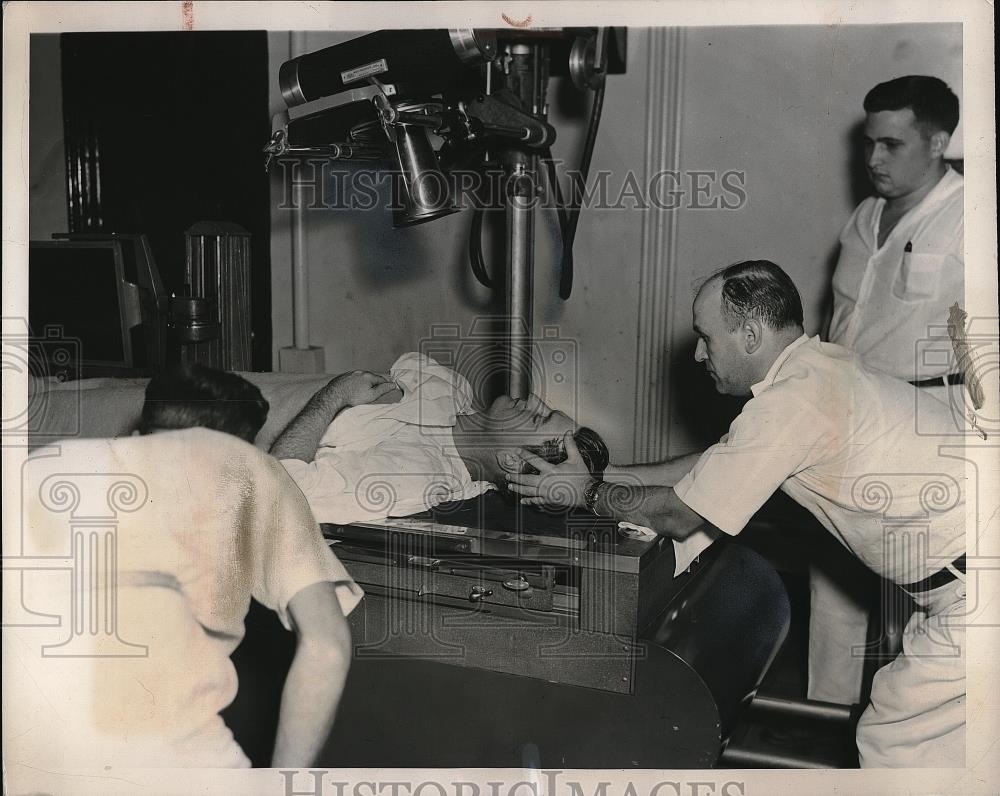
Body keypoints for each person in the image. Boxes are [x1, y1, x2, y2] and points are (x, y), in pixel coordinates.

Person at [508, 261, 966, 767]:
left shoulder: (791, 403)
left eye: (706, 337)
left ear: (750, 334)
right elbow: (711, 464)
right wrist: (606, 472)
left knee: (891, 742)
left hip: (975, 588)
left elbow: (683, 514)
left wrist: (587, 495)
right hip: (957, 577)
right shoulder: (816, 369)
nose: (699, 353)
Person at [7, 363, 373, 771]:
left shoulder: (43, 466)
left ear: (136, 435)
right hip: (175, 762)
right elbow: (326, 647)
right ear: (241, 447)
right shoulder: (248, 468)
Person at [817, 75, 963, 706]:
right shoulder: (865, 217)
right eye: (869, 144)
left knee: (914, 593)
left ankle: (894, 732)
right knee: (836, 582)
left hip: (927, 422)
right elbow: (840, 318)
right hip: (849, 418)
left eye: (891, 145)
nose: (873, 160)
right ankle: (820, 721)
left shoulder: (968, 218)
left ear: (938, 142)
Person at [271, 352, 609, 525]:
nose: (534, 400)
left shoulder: (417, 476)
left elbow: (283, 492)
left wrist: (336, 394)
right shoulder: (452, 387)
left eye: (538, 417)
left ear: (512, 459)